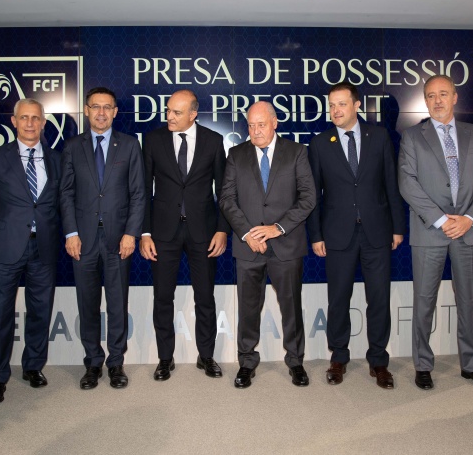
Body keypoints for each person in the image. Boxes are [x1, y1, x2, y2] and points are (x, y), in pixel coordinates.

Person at [398, 74, 473, 392]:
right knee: (424, 301)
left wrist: (469, 218)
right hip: (430, 231)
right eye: (430, 95)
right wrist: (441, 220)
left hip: (468, 230)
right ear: (425, 101)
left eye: (443, 94)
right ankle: (423, 365)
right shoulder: (412, 136)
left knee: (469, 300)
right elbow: (407, 183)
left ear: (455, 97)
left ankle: (472, 365)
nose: (437, 100)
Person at [306, 82, 406, 388]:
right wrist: (316, 234)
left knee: (379, 299)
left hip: (377, 232)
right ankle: (338, 358)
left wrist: (398, 227)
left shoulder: (379, 137)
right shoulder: (320, 143)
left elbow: (391, 184)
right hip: (337, 235)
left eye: (341, 104)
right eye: (331, 105)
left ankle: (379, 361)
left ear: (357, 105)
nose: (335, 110)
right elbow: (313, 194)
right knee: (338, 299)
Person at [219, 101, 316, 388]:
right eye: (251, 125)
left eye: (261, 125)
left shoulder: (296, 152)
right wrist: (247, 233)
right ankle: (246, 362)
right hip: (248, 246)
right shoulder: (236, 154)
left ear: (275, 123)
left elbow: (308, 197)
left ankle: (296, 362)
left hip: (286, 244)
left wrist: (277, 228)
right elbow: (227, 199)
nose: (256, 131)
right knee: (248, 309)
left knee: (291, 307)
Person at [0, 98, 61, 404]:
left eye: (35, 118)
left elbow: (60, 203)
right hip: (4, 248)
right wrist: (1, 230)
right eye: (24, 117)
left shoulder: (57, 159)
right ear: (14, 121)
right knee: (0, 314)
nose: (29, 123)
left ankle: (33, 366)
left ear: (43, 122)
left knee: (40, 311)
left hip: (44, 247)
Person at [140, 90, 229, 380]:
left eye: (176, 112)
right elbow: (143, 189)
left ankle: (207, 356)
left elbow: (224, 191)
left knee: (205, 297)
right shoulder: (153, 140)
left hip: (203, 232)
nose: (169, 116)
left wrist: (222, 229)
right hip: (163, 232)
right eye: (168, 110)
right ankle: (165, 358)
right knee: (163, 297)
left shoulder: (213, 141)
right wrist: (145, 232)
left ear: (193, 114)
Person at [60, 87, 145, 390]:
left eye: (107, 107)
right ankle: (93, 362)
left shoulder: (130, 145)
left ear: (115, 112)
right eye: (95, 107)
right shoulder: (73, 147)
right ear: (86, 110)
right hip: (82, 241)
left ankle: (116, 363)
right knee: (88, 304)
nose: (101, 113)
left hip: (118, 240)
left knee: (117, 303)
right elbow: (65, 193)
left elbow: (138, 194)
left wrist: (131, 233)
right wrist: (71, 233)